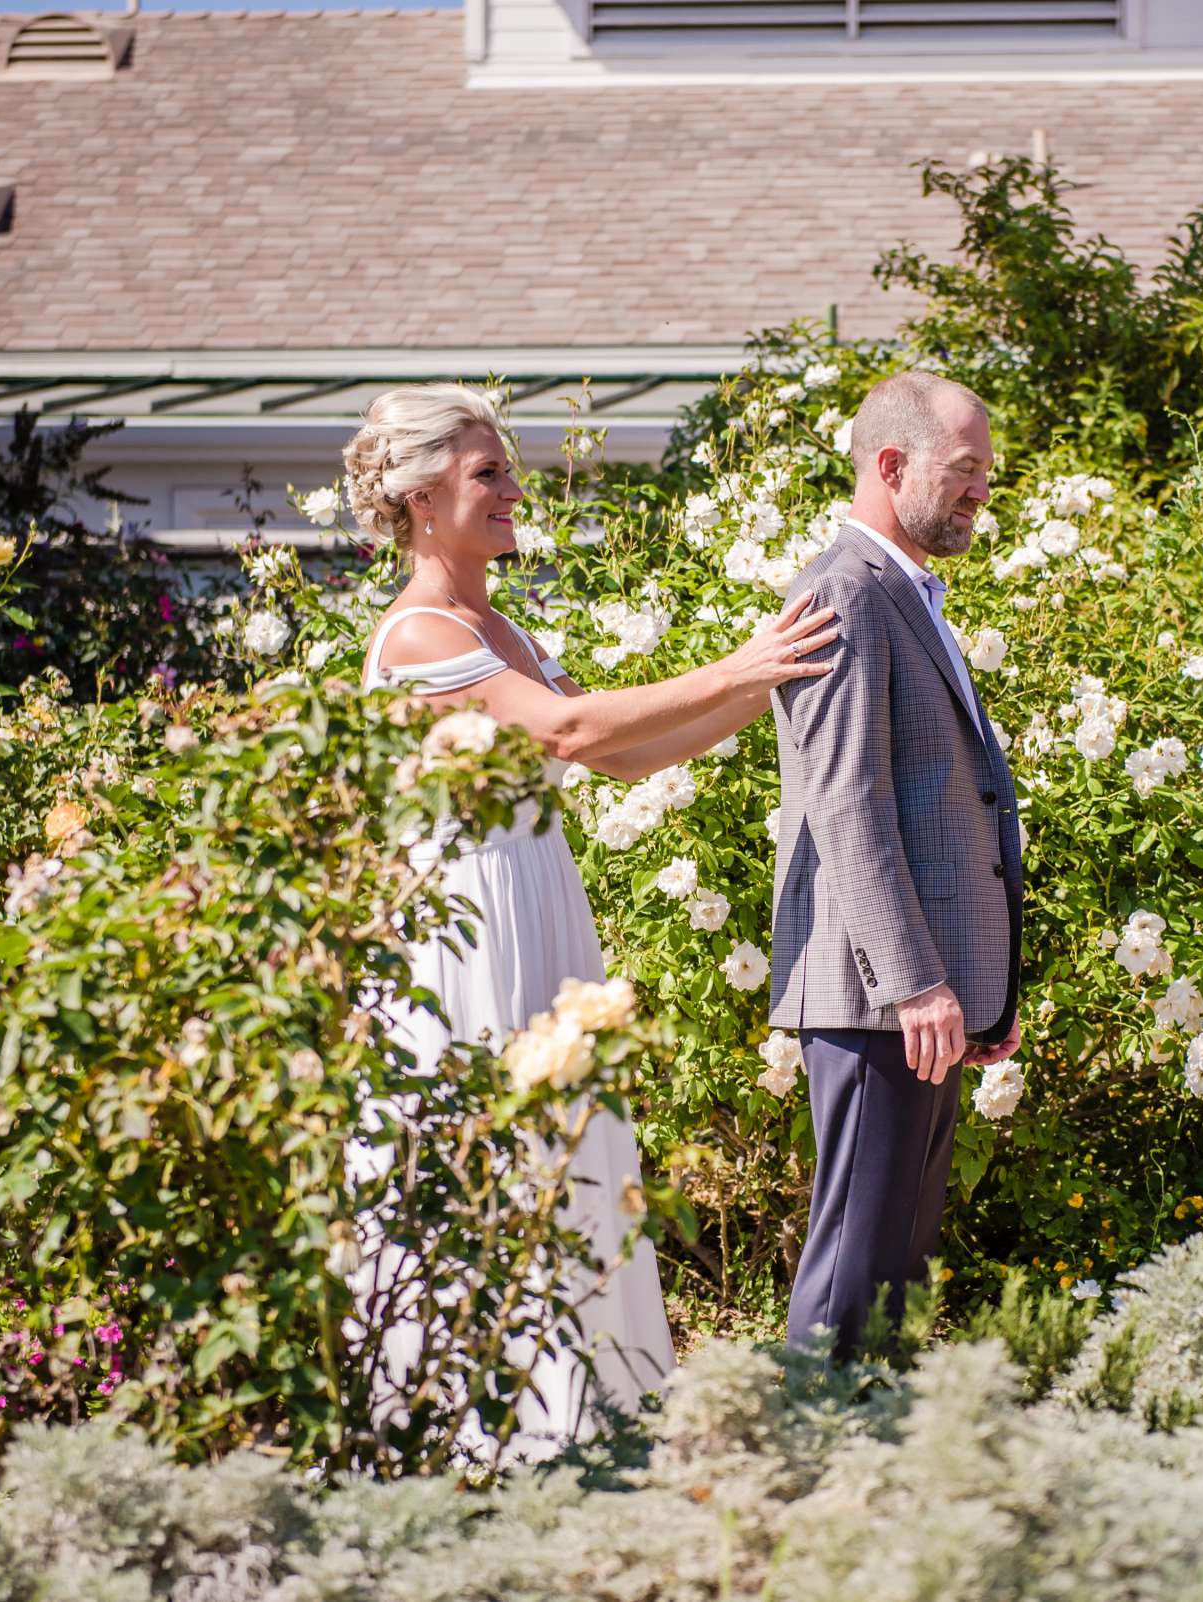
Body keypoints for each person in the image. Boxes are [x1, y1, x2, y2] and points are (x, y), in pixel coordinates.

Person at [340, 382, 838, 1449]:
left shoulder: (497, 621)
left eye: (508, 469)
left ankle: (579, 1418)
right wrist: (740, 662)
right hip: (460, 924)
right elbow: (566, 730)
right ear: (423, 499)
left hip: (534, 899)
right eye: (490, 474)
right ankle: (460, 1427)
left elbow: (622, 755)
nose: (515, 490)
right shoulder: (420, 635)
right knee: (488, 1155)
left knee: (560, 1154)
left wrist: (774, 683)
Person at [769, 371, 1024, 1357]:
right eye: (963, 472)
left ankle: (872, 1479)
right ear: (890, 464)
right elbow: (846, 804)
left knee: (895, 1277)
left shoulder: (905, 595)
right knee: (853, 1270)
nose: (979, 493)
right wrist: (918, 983)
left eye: (985, 476)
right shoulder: (843, 594)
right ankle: (808, 1470)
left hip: (920, 999)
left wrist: (975, 992)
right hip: (875, 995)